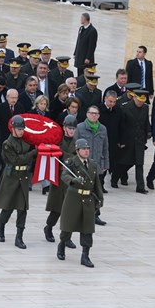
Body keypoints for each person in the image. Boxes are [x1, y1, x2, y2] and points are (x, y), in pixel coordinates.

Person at [57, 138, 104, 268]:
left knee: (87, 229)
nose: (86, 151)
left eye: (87, 149)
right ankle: (62, 244)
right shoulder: (71, 162)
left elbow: (96, 184)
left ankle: (85, 255)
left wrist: (100, 198)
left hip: (88, 200)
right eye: (83, 149)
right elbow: (64, 176)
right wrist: (73, 180)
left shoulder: (92, 164)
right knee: (68, 226)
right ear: (77, 150)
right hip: (74, 199)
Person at [0, 115, 37, 248]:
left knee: (22, 208)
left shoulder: (25, 142)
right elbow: (16, 160)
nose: (21, 131)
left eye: (22, 129)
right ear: (13, 129)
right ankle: (1, 226)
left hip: (23, 177)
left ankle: (19, 237)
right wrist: (33, 153)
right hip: (11, 177)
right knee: (8, 207)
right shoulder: (7, 144)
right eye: (19, 129)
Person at [44, 115, 78, 247]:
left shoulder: (77, 142)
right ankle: (49, 227)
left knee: (69, 210)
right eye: (69, 128)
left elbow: (75, 159)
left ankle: (66, 236)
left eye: (73, 128)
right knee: (56, 208)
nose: (71, 131)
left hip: (69, 179)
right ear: (64, 127)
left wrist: (63, 154)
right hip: (58, 177)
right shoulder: (57, 140)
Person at [75, 105, 108, 226]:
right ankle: (81, 214)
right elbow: (75, 147)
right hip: (84, 165)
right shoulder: (80, 128)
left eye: (96, 114)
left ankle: (96, 214)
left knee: (96, 191)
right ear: (87, 114)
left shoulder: (102, 129)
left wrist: (106, 164)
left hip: (97, 164)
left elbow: (105, 147)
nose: (94, 115)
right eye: (92, 113)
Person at [112, 89, 150, 193]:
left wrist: (148, 134)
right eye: (139, 100)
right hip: (127, 140)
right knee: (124, 162)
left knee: (139, 164)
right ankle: (114, 178)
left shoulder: (145, 108)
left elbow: (146, 123)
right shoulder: (125, 107)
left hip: (139, 140)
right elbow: (121, 125)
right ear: (134, 97)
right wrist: (120, 140)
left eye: (142, 100)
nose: (140, 102)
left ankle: (140, 187)